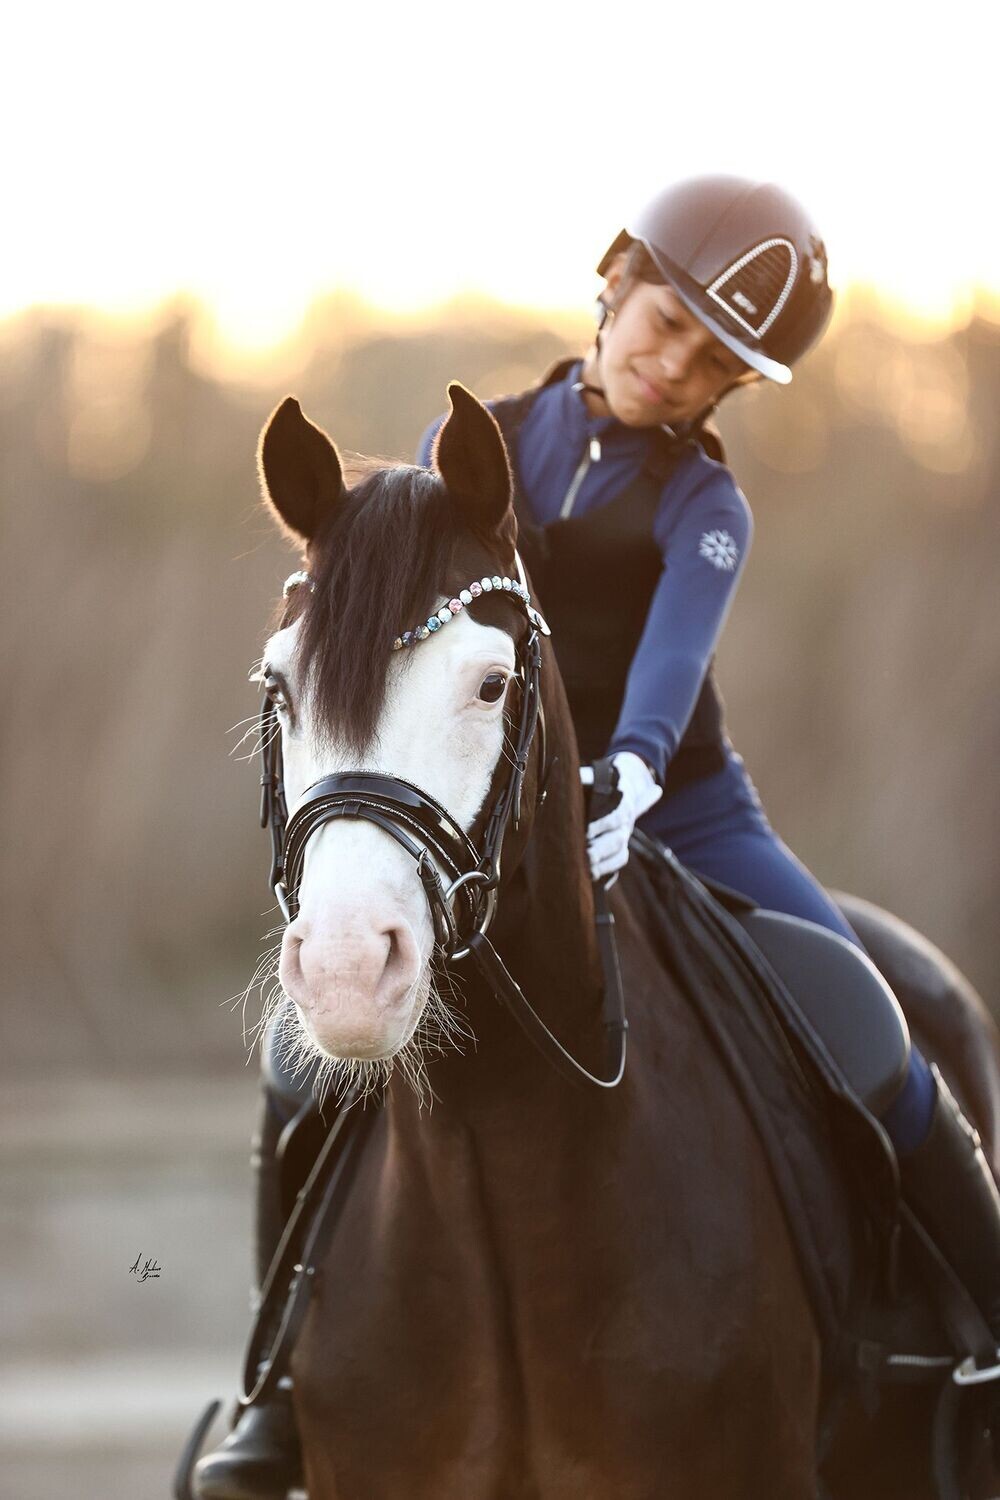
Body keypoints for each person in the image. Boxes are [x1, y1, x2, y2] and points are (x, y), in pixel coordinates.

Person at [193, 175, 1000, 1499]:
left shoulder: (706, 509)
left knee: (876, 1026)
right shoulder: (478, 446)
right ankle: (279, 1392)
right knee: (302, 1067)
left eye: (710, 365)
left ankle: (984, 1353)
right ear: (615, 280)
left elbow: (675, 663)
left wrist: (625, 768)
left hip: (680, 807)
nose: (670, 366)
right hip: (496, 817)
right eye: (664, 321)